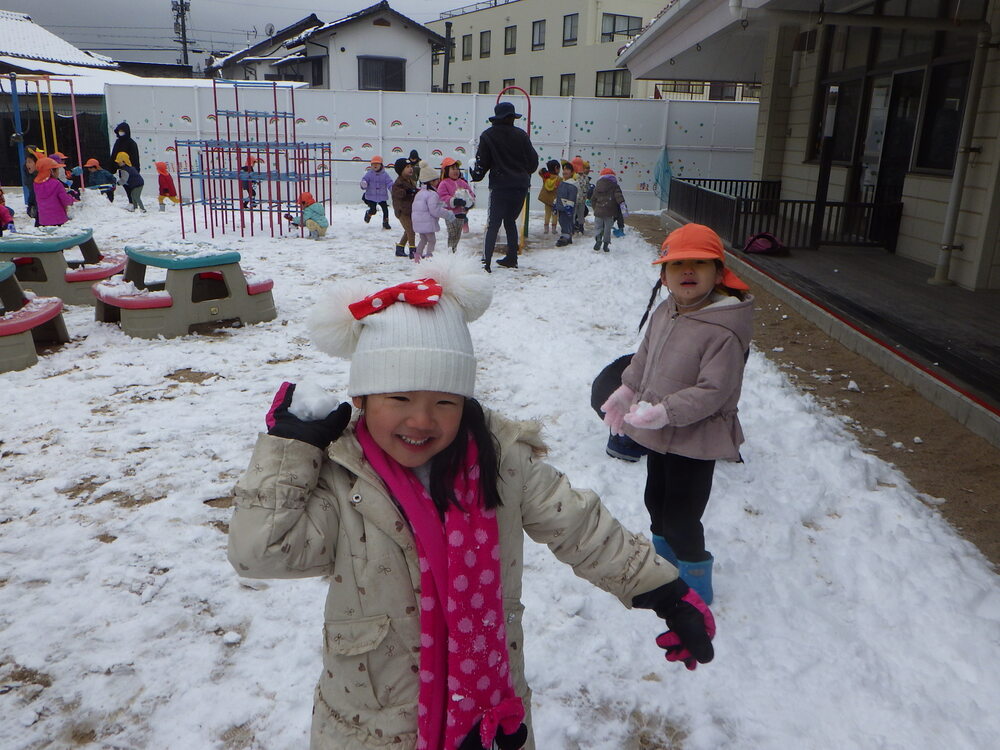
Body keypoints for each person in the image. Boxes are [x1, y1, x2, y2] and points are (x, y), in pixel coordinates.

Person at [227, 254, 716, 750]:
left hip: (490, 717)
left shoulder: (501, 462)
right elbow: (260, 552)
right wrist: (291, 451)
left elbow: (581, 527)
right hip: (372, 725)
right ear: (362, 399)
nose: (421, 420)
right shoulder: (341, 478)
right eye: (399, 398)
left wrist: (663, 591)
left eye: (445, 401)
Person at [600, 223, 754, 605]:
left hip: (696, 438)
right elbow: (645, 356)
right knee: (656, 502)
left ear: (718, 273)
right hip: (659, 429)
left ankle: (695, 587)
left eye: (699, 264)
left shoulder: (724, 329)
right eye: (677, 264)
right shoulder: (667, 310)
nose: (687, 271)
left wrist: (666, 411)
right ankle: (665, 570)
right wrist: (627, 389)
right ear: (664, 276)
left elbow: (714, 392)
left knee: (682, 520)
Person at [469, 101, 539, 272]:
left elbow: (481, 164)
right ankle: (512, 258)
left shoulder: (488, 136)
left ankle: (486, 262)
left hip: (500, 186)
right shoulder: (522, 135)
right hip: (520, 186)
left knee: (493, 223)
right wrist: (522, 172)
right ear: (512, 118)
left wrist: (475, 175)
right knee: (510, 221)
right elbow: (533, 163)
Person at [410, 161, 451, 262]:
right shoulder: (432, 194)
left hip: (419, 222)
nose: (438, 182)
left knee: (423, 240)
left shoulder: (420, 193)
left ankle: (417, 257)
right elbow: (434, 210)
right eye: (437, 180)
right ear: (431, 181)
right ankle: (429, 257)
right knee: (432, 240)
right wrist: (447, 214)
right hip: (427, 222)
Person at [437, 157, 475, 253]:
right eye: (453, 169)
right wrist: (454, 201)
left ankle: (454, 249)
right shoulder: (444, 183)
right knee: (452, 233)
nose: (456, 171)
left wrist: (469, 203)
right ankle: (450, 251)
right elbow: (442, 197)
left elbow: (471, 194)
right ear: (446, 171)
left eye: (457, 168)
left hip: (461, 214)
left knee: (457, 234)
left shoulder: (462, 183)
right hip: (450, 214)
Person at [32, 156, 77, 227]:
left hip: (44, 220)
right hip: (58, 219)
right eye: (57, 170)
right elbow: (65, 200)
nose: (58, 172)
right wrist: (72, 199)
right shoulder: (57, 184)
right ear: (51, 171)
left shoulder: (36, 184)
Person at [590, 168, 627, 253]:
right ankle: (606, 245)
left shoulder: (597, 186)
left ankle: (598, 238)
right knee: (607, 229)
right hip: (610, 212)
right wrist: (623, 207)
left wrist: (595, 208)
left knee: (598, 227)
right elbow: (619, 197)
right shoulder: (615, 186)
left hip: (599, 211)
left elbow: (593, 199)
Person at [391, 157, 419, 258]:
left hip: (410, 210)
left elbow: (414, 191)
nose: (410, 168)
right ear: (400, 170)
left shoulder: (411, 181)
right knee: (411, 230)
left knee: (409, 230)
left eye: (411, 166)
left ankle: (400, 248)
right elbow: (397, 193)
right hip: (402, 211)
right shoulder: (399, 183)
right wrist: (407, 191)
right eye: (407, 167)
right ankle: (413, 251)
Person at [360, 155, 393, 229]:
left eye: (377, 164)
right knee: (373, 210)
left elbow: (389, 182)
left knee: (385, 209)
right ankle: (369, 213)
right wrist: (364, 183)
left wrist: (392, 189)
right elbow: (364, 180)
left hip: (382, 196)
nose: (375, 165)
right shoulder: (369, 174)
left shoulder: (385, 175)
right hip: (371, 196)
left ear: (381, 165)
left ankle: (385, 222)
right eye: (373, 164)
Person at [552, 161, 578, 248]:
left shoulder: (572, 184)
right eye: (564, 169)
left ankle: (566, 236)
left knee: (567, 221)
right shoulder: (562, 182)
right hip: (561, 206)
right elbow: (558, 194)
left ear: (571, 172)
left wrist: (569, 206)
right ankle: (566, 235)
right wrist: (555, 204)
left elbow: (572, 197)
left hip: (567, 207)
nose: (564, 171)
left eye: (567, 169)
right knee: (562, 221)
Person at [536, 160, 561, 235]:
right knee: (555, 215)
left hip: (546, 199)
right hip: (554, 200)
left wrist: (544, 171)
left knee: (547, 214)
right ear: (556, 168)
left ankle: (546, 229)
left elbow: (540, 171)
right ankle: (553, 229)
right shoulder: (559, 179)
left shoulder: (546, 177)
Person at [570, 157, 590, 235]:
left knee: (573, 214)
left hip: (574, 199)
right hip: (582, 198)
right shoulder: (585, 177)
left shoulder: (574, 176)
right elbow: (587, 188)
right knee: (581, 214)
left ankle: (572, 228)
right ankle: (581, 228)